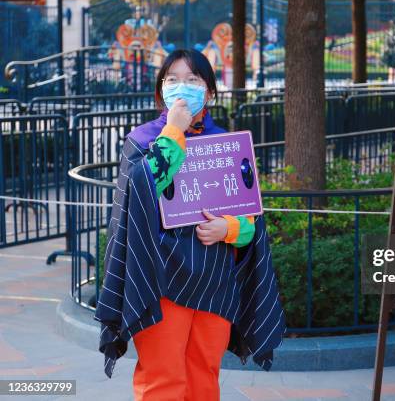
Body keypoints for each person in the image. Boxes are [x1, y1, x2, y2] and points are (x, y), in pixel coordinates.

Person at [93, 49, 286, 401]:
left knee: (204, 377)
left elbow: (251, 225)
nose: (183, 88)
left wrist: (227, 229)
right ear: (160, 90)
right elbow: (143, 189)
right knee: (163, 379)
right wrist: (174, 132)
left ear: (209, 91)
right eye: (173, 79)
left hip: (215, 282)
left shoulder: (227, 143)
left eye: (193, 80)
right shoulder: (143, 140)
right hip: (162, 281)